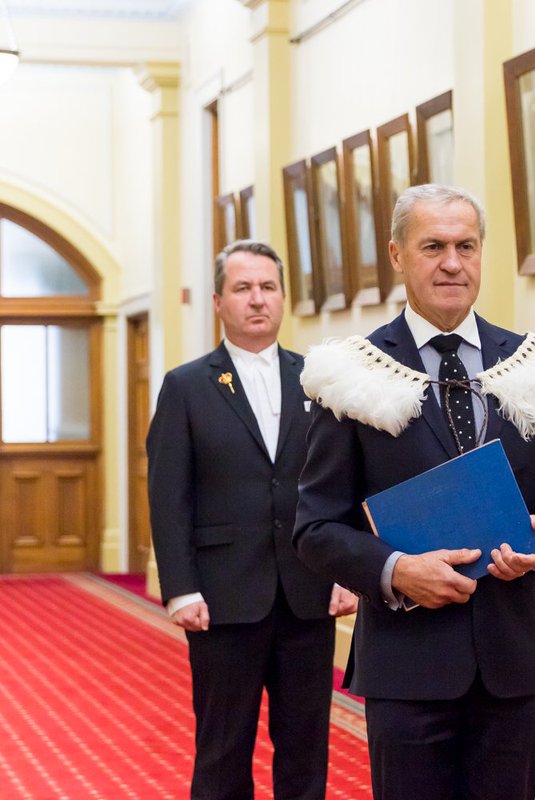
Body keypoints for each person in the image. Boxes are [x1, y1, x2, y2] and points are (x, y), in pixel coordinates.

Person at [293, 184, 535, 800]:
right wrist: (397, 571)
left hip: (514, 666)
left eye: (466, 246)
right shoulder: (355, 373)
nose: (452, 263)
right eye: (433, 246)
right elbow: (316, 528)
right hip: (407, 668)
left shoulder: (534, 365)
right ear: (399, 256)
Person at [147, 239, 358, 800]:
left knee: (307, 745)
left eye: (268, 287)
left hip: (308, 594)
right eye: (243, 289)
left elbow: (344, 483)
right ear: (218, 301)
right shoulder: (186, 385)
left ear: (284, 298)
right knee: (222, 750)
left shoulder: (319, 377)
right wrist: (180, 589)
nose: (257, 300)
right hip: (221, 600)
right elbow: (169, 496)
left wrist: (347, 569)